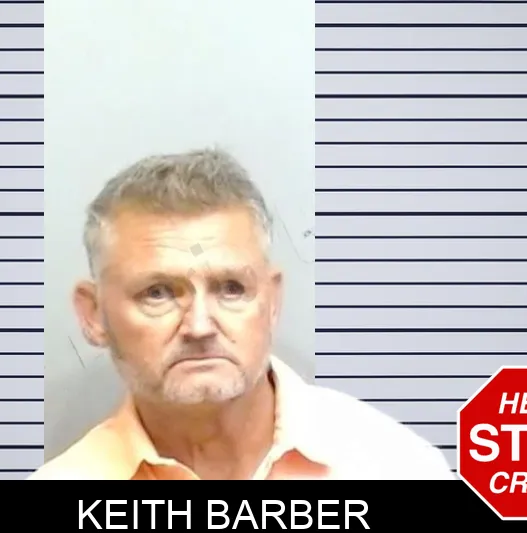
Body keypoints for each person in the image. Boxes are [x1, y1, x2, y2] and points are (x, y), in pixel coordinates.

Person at [31, 148, 454, 480]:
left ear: (272, 301)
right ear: (94, 315)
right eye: (157, 293)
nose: (199, 326)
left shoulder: (392, 465)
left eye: (231, 288)